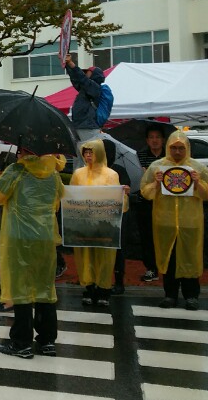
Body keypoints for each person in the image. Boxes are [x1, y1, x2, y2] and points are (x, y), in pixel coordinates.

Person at [0, 152, 66, 359]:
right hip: (46, 237)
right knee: (45, 288)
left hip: (19, 237)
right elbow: (59, 198)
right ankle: (47, 340)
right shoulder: (54, 174)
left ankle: (21, 342)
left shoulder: (16, 171)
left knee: (20, 287)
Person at [140, 131, 208, 310]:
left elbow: (207, 194)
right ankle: (170, 295)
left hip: (190, 223)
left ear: (187, 148)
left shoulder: (197, 168)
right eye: (173, 148)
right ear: (168, 147)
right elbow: (145, 192)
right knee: (168, 259)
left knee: (190, 259)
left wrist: (197, 183)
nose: (177, 151)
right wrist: (156, 183)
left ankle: (191, 296)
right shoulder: (157, 167)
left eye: (181, 148)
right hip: (165, 223)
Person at [70, 139, 129, 308]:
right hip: (84, 224)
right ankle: (88, 288)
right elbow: (71, 197)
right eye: (86, 152)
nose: (88, 156)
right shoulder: (78, 174)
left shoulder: (111, 174)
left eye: (92, 152)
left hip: (104, 225)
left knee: (105, 257)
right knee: (85, 256)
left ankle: (104, 289)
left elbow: (118, 203)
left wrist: (122, 195)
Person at [135, 124, 166, 282]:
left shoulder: (169, 157)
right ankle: (151, 268)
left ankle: (166, 267)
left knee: (165, 236)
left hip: (166, 203)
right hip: (145, 202)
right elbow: (136, 181)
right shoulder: (139, 156)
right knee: (147, 237)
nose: (155, 141)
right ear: (147, 140)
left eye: (157, 137)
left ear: (163, 140)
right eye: (151, 138)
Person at [102, 137, 132, 295]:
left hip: (117, 216)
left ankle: (119, 281)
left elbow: (127, 187)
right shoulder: (92, 170)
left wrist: (124, 188)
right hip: (98, 217)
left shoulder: (118, 170)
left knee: (118, 249)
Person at [64, 54, 105, 141]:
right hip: (83, 125)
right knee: (83, 151)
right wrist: (67, 65)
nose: (85, 74)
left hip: (87, 127)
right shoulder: (86, 89)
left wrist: (71, 63)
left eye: (88, 73)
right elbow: (75, 79)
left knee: (87, 151)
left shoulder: (94, 87)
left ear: (94, 75)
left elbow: (82, 78)